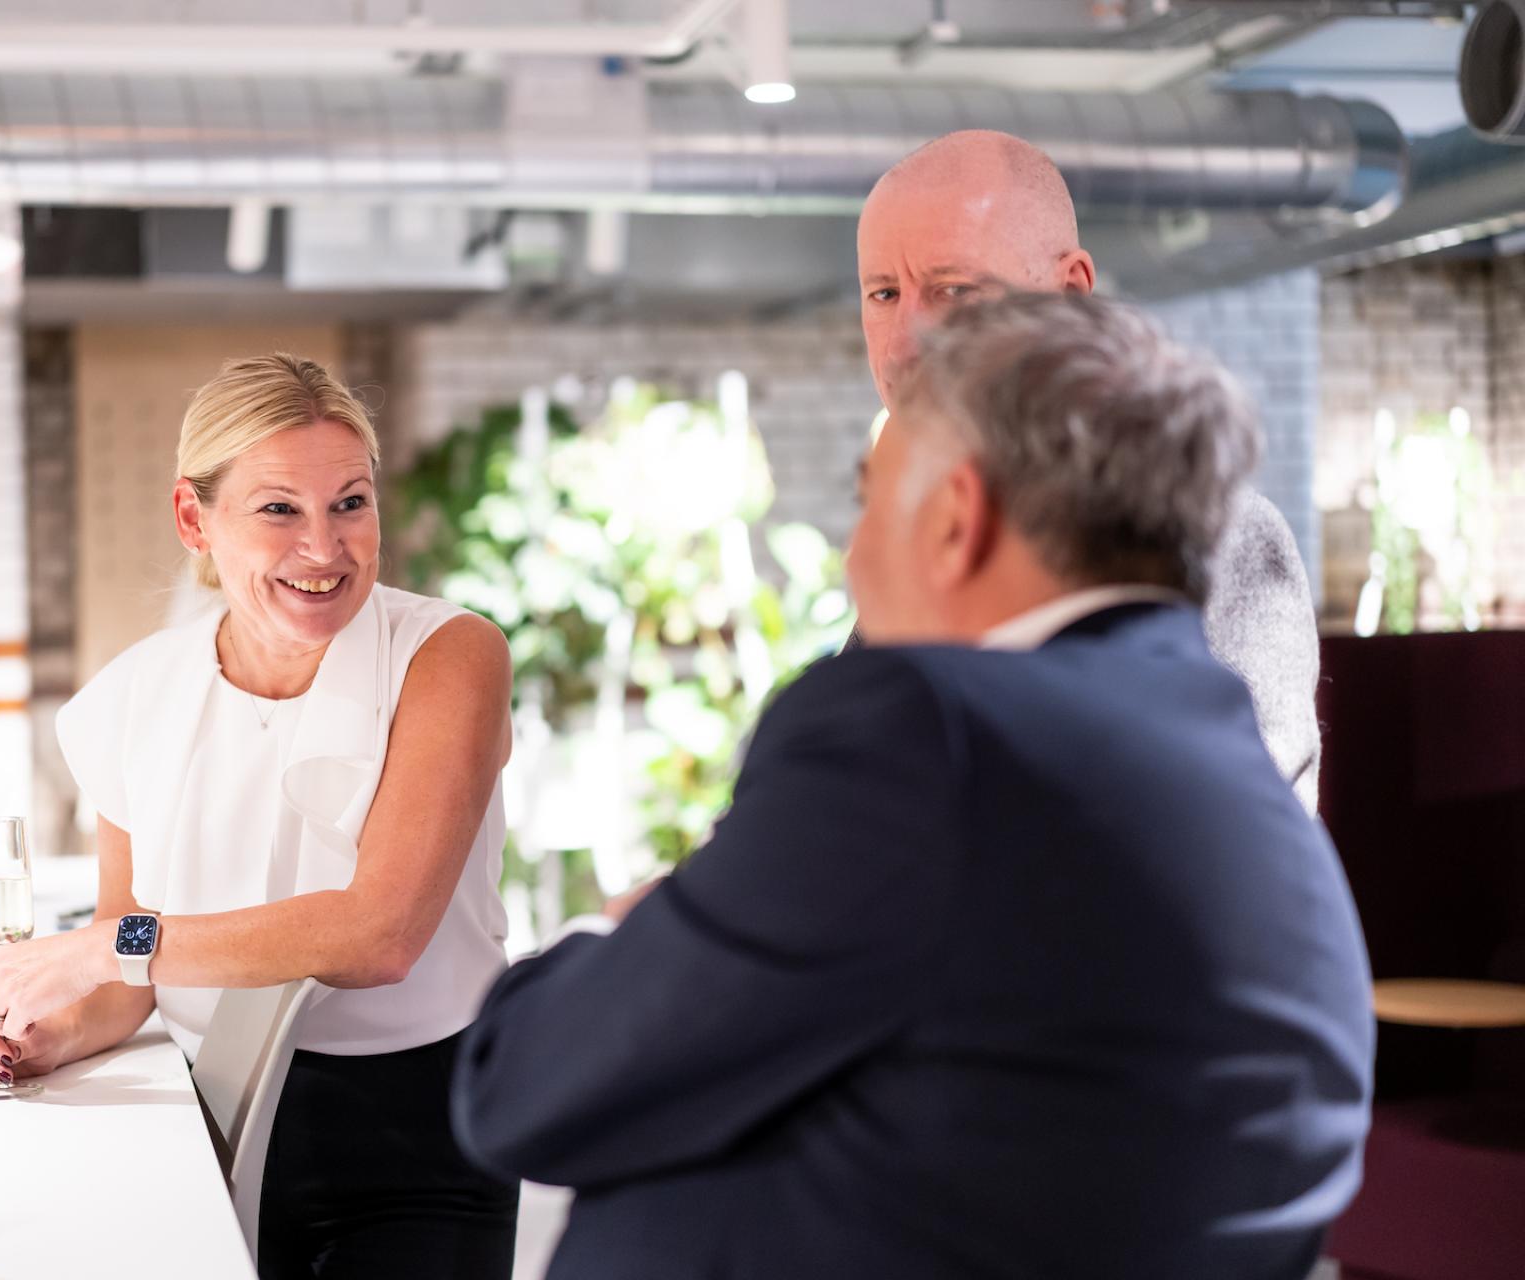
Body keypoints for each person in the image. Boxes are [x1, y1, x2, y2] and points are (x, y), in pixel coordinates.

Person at [450, 292, 1375, 1279]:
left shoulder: (921, 732)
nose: (851, 558)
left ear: (953, 519)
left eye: (868, 499)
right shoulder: (1253, 785)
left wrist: (626, 925)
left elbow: (522, 1088)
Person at [0, 354, 520, 1279]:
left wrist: (103, 948)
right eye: (278, 510)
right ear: (194, 519)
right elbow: (130, 977)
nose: (325, 547)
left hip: (419, 1140)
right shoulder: (135, 694)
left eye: (350, 503)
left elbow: (380, 933)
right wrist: (44, 1034)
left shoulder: (450, 657)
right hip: (205, 1117)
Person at [854, 130, 1323, 812]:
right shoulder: (923, 540)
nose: (905, 342)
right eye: (883, 294)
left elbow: (1219, 847)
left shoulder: (1217, 540)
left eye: (952, 288)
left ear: (1068, 292)